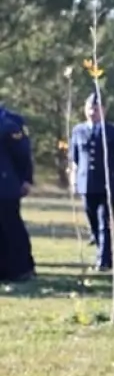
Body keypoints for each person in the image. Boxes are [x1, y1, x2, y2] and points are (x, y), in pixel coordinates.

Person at [69, 93, 114, 271]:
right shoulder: (78, 131)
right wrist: (74, 179)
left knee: (105, 222)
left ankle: (104, 260)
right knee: (92, 221)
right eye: (90, 108)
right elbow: (75, 158)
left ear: (104, 110)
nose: (92, 112)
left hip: (107, 184)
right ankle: (100, 247)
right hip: (86, 183)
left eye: (96, 108)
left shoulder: (113, 132)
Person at [0, 103, 35, 282]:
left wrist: (27, 179)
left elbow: (23, 154)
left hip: (5, 185)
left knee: (11, 227)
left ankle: (23, 268)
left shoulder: (9, 122)